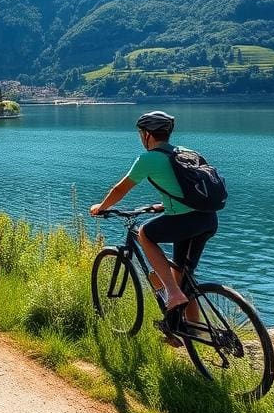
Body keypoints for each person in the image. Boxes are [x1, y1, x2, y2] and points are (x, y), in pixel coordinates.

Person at [90, 111, 219, 325]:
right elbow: (187, 189)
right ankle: (191, 331)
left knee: (145, 234)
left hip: (187, 222)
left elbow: (120, 189)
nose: (141, 137)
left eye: (141, 133)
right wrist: (164, 205)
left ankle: (172, 293)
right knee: (184, 277)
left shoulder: (148, 158)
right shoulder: (185, 152)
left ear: (147, 134)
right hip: (208, 219)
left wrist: (100, 207)